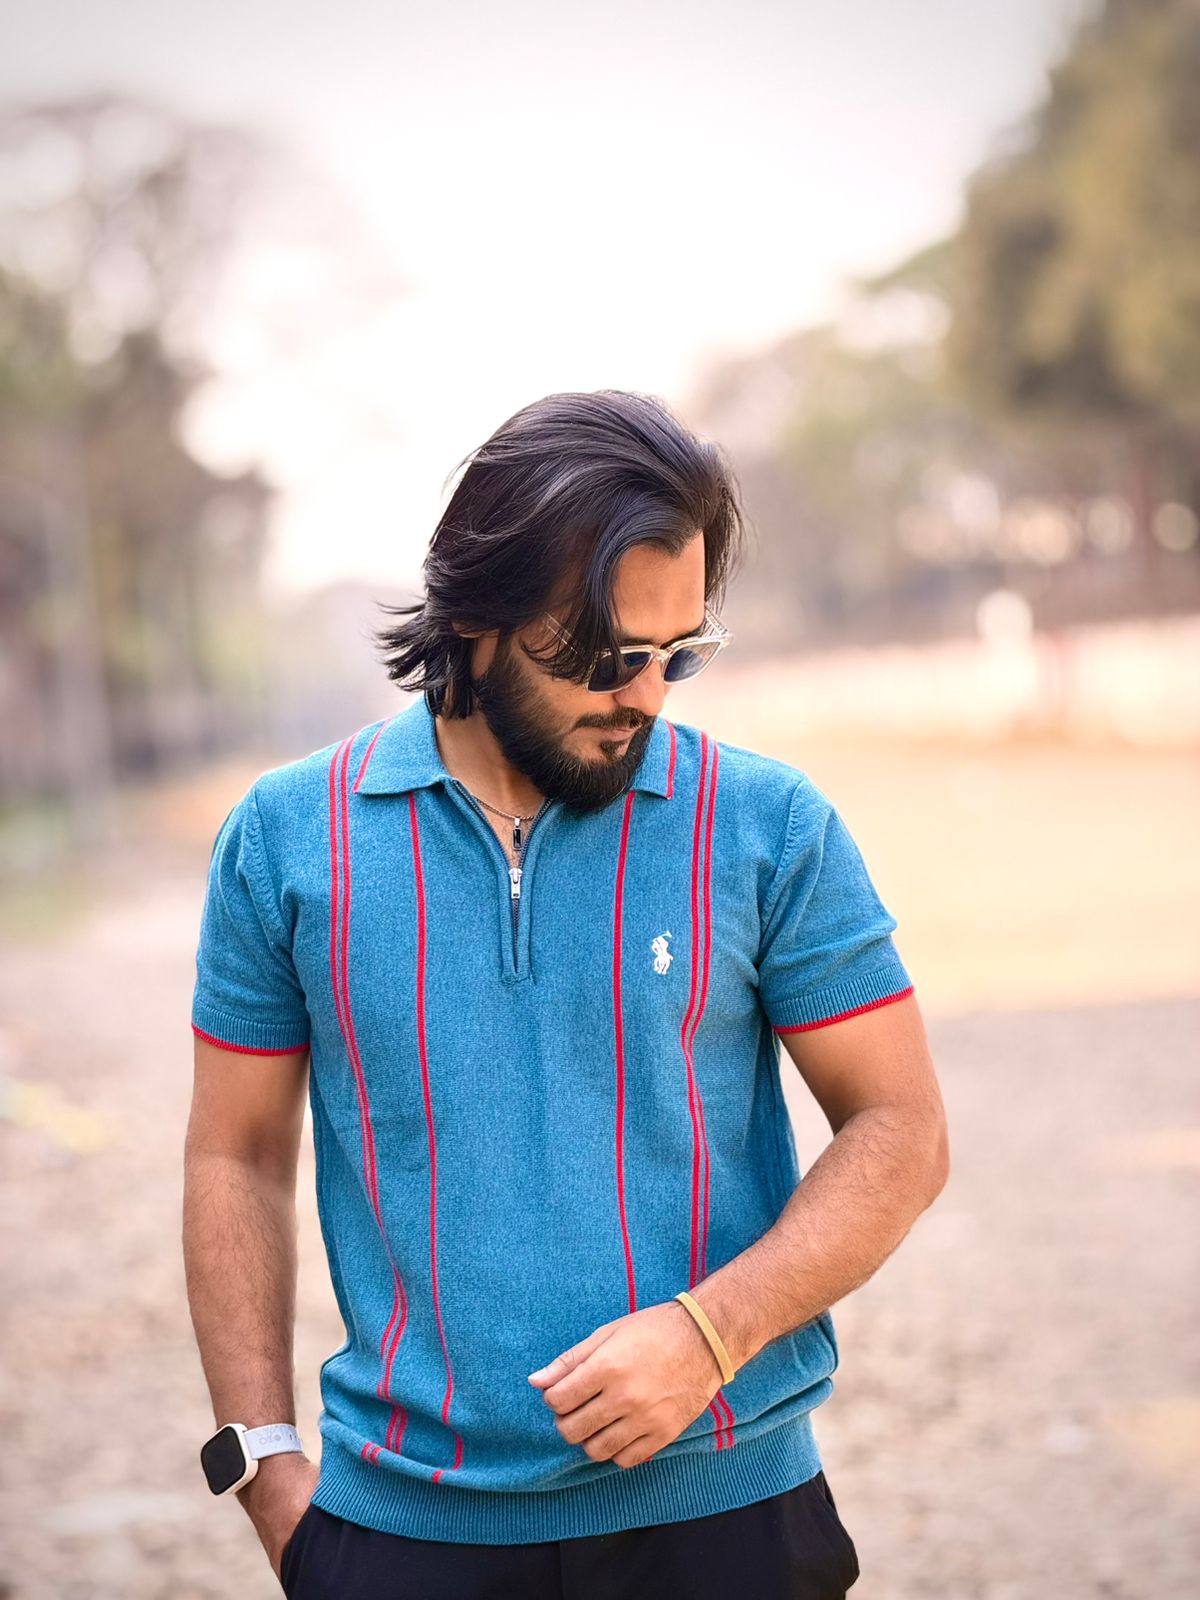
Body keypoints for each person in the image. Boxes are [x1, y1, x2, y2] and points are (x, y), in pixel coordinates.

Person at [183, 389, 949, 1599]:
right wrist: (268, 1469)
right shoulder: (286, 840)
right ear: (475, 617)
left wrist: (712, 1332)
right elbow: (236, 1156)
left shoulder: (769, 825)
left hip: (727, 1521)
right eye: (605, 658)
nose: (646, 693)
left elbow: (902, 1127)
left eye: (678, 653)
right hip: (402, 1536)